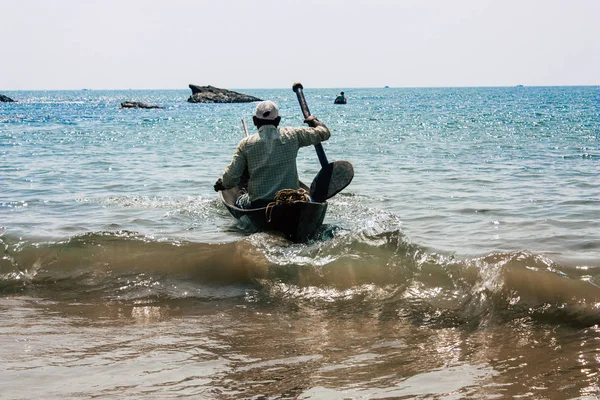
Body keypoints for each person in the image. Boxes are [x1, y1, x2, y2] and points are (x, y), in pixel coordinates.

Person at [213, 100, 330, 208]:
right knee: (307, 197)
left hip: (259, 204)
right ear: (278, 120)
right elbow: (324, 132)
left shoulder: (245, 144)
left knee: (240, 200)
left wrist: (222, 184)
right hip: (290, 201)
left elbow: (231, 179)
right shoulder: (293, 135)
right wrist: (314, 120)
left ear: (254, 120)